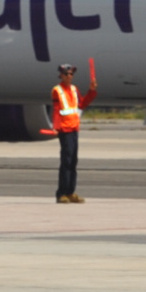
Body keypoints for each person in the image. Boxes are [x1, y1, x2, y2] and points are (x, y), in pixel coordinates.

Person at [51, 63, 83, 203]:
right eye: (67, 74)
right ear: (61, 75)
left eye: (71, 74)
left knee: (73, 162)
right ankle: (61, 193)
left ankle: (70, 192)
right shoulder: (57, 90)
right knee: (66, 161)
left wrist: (92, 91)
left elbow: (82, 104)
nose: (70, 76)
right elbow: (57, 110)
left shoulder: (74, 89)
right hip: (65, 129)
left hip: (74, 128)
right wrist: (56, 127)